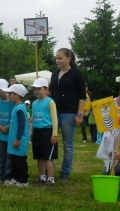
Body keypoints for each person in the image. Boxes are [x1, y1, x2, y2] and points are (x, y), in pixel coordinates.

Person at [48, 48, 85, 182]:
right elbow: (51, 93)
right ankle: (49, 168)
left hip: (69, 112)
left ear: (68, 58)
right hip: (54, 112)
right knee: (49, 139)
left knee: (67, 144)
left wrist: (80, 114)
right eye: (56, 58)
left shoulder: (76, 74)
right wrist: (40, 90)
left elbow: (82, 96)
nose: (57, 61)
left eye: (60, 58)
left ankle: (65, 173)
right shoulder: (54, 74)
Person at [28, 78, 58, 187]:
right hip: (37, 132)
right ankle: (42, 177)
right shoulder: (34, 103)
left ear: (46, 89)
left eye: (38, 89)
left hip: (47, 132)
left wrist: (54, 134)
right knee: (39, 156)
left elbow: (54, 119)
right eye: (34, 89)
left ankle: (50, 179)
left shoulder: (50, 102)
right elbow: (34, 118)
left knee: (47, 157)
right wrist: (32, 132)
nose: (36, 91)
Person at [2, 84, 29, 187]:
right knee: (13, 161)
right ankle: (15, 178)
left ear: (16, 95)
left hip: (19, 142)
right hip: (13, 142)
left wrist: (18, 139)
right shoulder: (16, 107)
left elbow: (22, 126)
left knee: (20, 162)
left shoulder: (20, 109)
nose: (8, 96)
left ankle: (23, 181)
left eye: (10, 94)